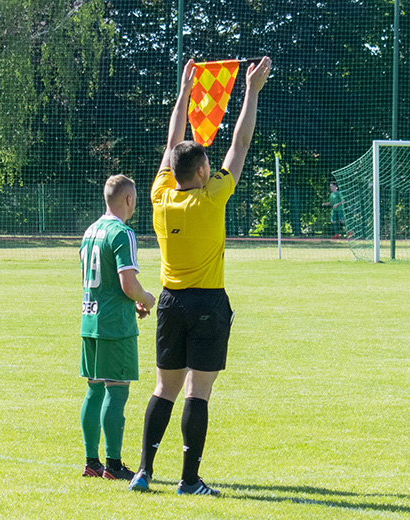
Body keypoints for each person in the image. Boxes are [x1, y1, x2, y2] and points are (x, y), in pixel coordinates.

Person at [128, 56, 272, 495]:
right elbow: (240, 144)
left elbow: (173, 141)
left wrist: (184, 93)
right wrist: (251, 92)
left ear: (172, 171)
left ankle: (143, 472)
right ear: (204, 172)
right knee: (198, 391)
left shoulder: (159, 195)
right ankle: (189, 481)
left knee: (163, 389)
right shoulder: (212, 197)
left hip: (170, 303)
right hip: (207, 302)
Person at [79, 174, 156, 481]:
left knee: (94, 388)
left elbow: (104, 282)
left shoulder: (90, 231)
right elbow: (128, 284)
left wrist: (129, 301)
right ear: (128, 199)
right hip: (115, 326)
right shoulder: (123, 233)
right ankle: (113, 464)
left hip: (90, 319)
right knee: (117, 389)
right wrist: (146, 298)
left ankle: (91, 462)